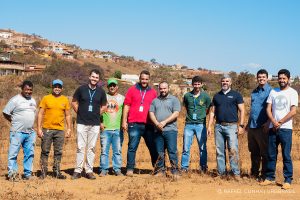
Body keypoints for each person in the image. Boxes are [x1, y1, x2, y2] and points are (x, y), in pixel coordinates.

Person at [260, 69, 298, 190]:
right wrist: (274, 122)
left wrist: (280, 122)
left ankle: (287, 180)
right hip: (273, 128)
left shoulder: (293, 92)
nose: (281, 80)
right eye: (280, 78)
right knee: (271, 154)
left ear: (288, 79)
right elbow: (268, 109)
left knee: (286, 155)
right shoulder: (273, 91)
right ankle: (270, 177)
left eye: (284, 78)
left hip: (286, 129)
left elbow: (293, 111)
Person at [71, 69, 107, 180]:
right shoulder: (81, 89)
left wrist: (96, 114)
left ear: (98, 79)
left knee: (91, 148)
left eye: (96, 77)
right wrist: (80, 112)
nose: (94, 79)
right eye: (93, 77)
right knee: (80, 147)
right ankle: (78, 170)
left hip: (95, 124)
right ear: (89, 77)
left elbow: (104, 106)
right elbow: (73, 102)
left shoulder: (101, 92)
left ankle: (89, 170)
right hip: (82, 122)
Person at [207, 75, 245, 180]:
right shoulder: (216, 96)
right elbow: (212, 112)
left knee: (233, 150)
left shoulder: (236, 95)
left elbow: (242, 110)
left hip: (232, 126)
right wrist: (209, 126)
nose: (225, 82)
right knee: (220, 151)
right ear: (221, 82)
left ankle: (236, 173)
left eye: (227, 81)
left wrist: (241, 125)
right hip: (218, 126)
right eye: (223, 81)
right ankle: (221, 173)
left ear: (231, 82)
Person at [122, 70, 158, 176]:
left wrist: (156, 123)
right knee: (132, 147)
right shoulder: (132, 90)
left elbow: (156, 108)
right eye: (142, 79)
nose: (144, 81)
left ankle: (157, 168)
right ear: (139, 78)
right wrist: (124, 121)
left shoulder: (153, 92)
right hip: (134, 123)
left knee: (153, 147)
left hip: (149, 124)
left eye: (146, 79)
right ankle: (130, 169)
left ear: (149, 80)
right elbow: (127, 105)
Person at [37, 79, 71, 179]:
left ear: (62, 88)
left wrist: (69, 128)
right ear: (52, 87)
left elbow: (68, 115)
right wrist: (39, 128)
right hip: (47, 129)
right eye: (55, 86)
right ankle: (43, 172)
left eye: (59, 87)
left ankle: (56, 172)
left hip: (60, 130)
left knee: (58, 152)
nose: (57, 88)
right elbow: (40, 113)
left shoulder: (65, 100)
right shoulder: (46, 98)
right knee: (45, 151)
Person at [3, 80, 37, 181]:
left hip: (30, 133)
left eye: (30, 90)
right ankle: (13, 175)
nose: (28, 92)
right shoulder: (15, 100)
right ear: (22, 89)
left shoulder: (33, 100)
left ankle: (27, 174)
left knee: (29, 154)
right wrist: (13, 121)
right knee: (13, 153)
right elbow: (5, 112)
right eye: (26, 89)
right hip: (17, 132)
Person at [149, 81, 181, 177]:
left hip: (171, 130)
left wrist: (164, 122)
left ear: (168, 88)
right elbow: (151, 113)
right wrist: (157, 123)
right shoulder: (155, 101)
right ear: (158, 89)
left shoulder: (174, 100)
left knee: (172, 151)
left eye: (164, 88)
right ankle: (160, 171)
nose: (163, 90)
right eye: (161, 88)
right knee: (159, 152)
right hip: (158, 130)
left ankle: (175, 171)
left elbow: (176, 113)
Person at [181, 76, 211, 173]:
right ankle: (184, 168)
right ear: (192, 84)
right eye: (195, 84)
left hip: (200, 125)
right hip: (189, 125)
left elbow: (208, 109)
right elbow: (186, 107)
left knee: (202, 148)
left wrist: (201, 116)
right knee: (186, 147)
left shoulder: (206, 96)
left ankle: (203, 167)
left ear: (202, 84)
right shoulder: (187, 96)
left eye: (199, 84)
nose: (197, 86)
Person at [246, 69, 272, 181]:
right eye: (259, 77)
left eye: (263, 77)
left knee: (264, 152)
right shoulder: (254, 92)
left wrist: (268, 122)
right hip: (252, 126)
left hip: (263, 127)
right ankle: (254, 173)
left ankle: (265, 175)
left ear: (267, 78)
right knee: (254, 151)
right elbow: (253, 110)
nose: (261, 79)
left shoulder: (271, 91)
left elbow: (273, 109)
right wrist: (247, 124)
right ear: (257, 78)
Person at [99, 78, 125, 176]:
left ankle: (117, 169)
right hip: (105, 129)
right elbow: (98, 110)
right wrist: (100, 123)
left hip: (118, 129)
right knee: (104, 151)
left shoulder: (122, 98)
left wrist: (124, 123)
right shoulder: (103, 97)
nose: (112, 87)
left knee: (117, 151)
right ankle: (104, 169)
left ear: (117, 87)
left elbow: (125, 112)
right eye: (110, 85)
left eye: (114, 85)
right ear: (107, 87)